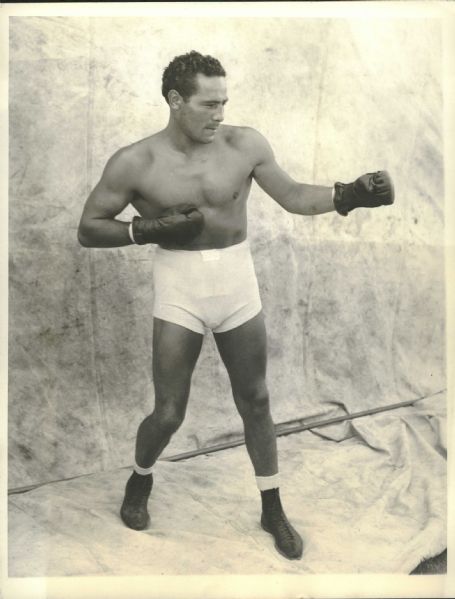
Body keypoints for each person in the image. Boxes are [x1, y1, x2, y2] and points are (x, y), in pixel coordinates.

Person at [77, 50, 394, 560]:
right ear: (176, 100)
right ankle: (140, 479)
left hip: (235, 282)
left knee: (257, 400)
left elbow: (291, 195)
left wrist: (350, 195)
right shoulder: (135, 161)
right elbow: (89, 228)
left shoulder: (245, 144)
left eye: (224, 102)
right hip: (179, 284)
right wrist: (146, 229)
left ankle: (271, 505)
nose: (220, 114)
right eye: (208, 104)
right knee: (169, 413)